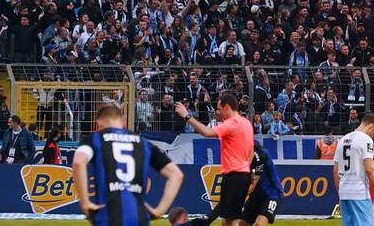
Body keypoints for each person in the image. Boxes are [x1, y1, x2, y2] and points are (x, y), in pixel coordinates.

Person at [72, 104, 184, 226]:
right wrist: (159, 210)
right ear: (123, 121)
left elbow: (78, 162)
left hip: (108, 216)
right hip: (140, 217)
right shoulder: (144, 143)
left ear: (98, 122)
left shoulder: (94, 139)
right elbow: (176, 174)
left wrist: (85, 203)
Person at [176, 93, 253, 226]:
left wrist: (187, 116)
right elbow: (251, 150)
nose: (218, 113)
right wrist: (247, 168)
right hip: (242, 175)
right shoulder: (246, 123)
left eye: (219, 109)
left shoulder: (231, 123)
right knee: (227, 219)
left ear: (227, 107)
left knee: (231, 220)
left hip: (234, 176)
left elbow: (207, 132)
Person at [334, 113, 374, 226]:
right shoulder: (366, 140)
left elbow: (336, 171)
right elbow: (369, 168)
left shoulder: (342, 140)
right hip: (359, 193)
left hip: (344, 193)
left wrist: (340, 194)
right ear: (372, 126)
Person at [241, 143, 284, 226]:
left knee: (260, 223)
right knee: (242, 223)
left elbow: (253, 184)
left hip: (272, 194)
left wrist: (236, 197)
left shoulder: (260, 154)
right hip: (256, 195)